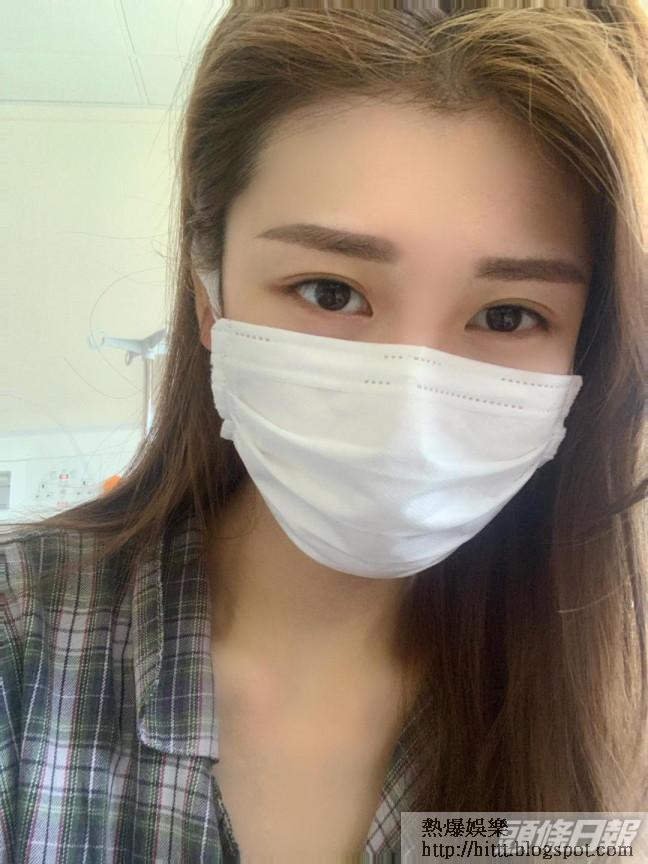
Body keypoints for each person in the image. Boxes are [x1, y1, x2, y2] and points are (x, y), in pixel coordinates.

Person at [2, 1, 647, 861]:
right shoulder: (21, 643)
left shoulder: (604, 719)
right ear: (209, 296)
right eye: (331, 292)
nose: (408, 410)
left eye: (507, 314)